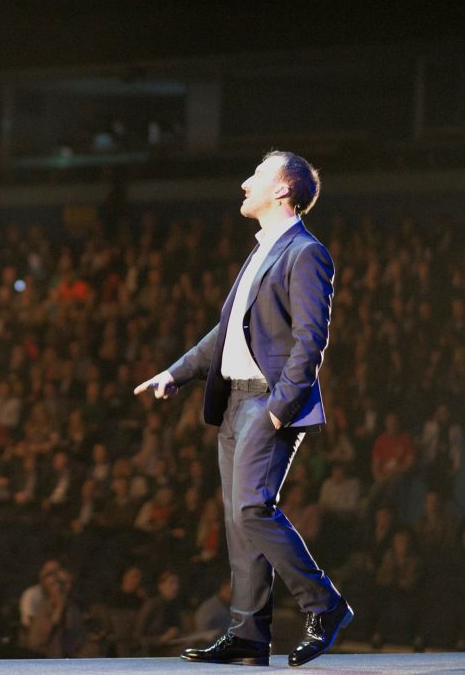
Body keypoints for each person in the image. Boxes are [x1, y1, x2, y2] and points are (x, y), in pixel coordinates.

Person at [134, 152, 351, 667]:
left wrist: (280, 409)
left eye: (256, 175)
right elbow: (228, 333)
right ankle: (249, 634)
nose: (243, 183)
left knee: (252, 508)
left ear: (282, 190)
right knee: (238, 520)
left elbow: (310, 341)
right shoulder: (261, 252)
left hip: (267, 401)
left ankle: (325, 604)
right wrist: (176, 372)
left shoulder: (305, 253)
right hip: (235, 401)